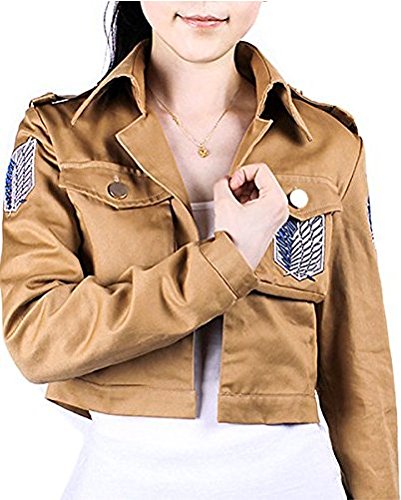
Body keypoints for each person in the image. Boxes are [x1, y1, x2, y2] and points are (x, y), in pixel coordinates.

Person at [0, 2, 398, 499]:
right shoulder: (61, 135)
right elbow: (37, 337)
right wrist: (228, 259)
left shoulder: (328, 144)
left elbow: (360, 367)